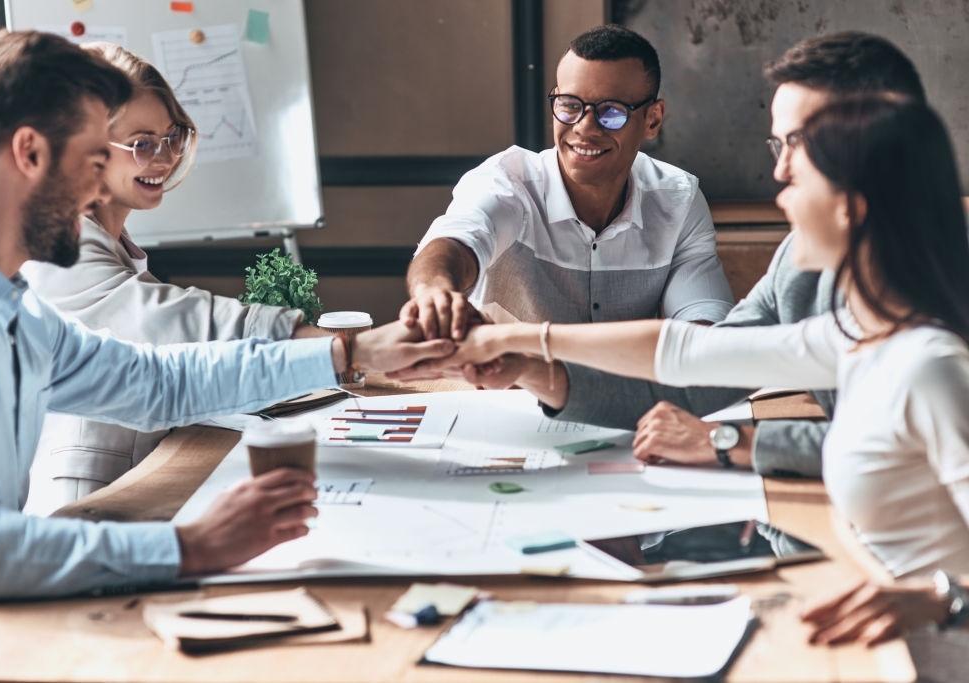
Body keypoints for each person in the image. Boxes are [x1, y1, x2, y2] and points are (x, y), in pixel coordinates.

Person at [414, 95, 969, 640]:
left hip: (930, 645)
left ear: (852, 208)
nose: (781, 202)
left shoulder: (930, 368)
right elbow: (682, 352)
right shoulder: (845, 336)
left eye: (795, 183)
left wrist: (942, 599)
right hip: (861, 616)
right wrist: (520, 345)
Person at [0, 29, 452, 603]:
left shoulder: (13, 312)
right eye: (93, 161)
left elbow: (158, 381)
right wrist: (192, 547)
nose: (96, 192)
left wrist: (350, 354)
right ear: (30, 154)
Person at [418, 31, 926, 480]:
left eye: (797, 144)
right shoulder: (796, 260)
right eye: (778, 146)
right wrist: (529, 365)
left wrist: (733, 441)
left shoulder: (929, 315)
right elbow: (703, 363)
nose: (779, 172)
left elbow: (908, 439)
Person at [21, 43, 326, 515]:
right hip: (85, 498)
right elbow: (170, 324)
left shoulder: (112, 235)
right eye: (142, 143)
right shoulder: (60, 243)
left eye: (172, 135)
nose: (163, 157)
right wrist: (328, 345)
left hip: (132, 475)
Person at [401, 24, 735, 407]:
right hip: (501, 407)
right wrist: (433, 291)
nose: (584, 129)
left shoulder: (679, 199)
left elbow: (705, 330)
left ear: (653, 119)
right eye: (570, 106)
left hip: (627, 410)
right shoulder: (506, 182)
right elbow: (455, 242)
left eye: (611, 112)